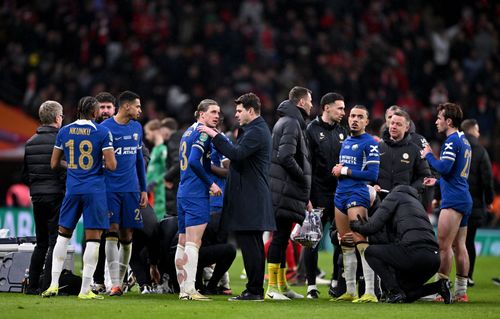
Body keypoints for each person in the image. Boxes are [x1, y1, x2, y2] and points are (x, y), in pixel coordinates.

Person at [198, 92, 276, 301]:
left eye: (240, 111)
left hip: (249, 197)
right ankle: (255, 289)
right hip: (252, 195)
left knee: (250, 245)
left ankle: (254, 290)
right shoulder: (255, 129)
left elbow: (236, 154)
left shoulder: (256, 131)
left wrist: (215, 135)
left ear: (251, 111)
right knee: (254, 245)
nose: (236, 114)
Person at [42, 96, 116, 299]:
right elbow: (111, 165)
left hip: (73, 189)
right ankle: (85, 290)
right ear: (94, 112)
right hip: (94, 191)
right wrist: (98, 164)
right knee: (93, 240)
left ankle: (53, 285)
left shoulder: (64, 131)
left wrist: (73, 166)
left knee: (63, 236)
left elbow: (54, 164)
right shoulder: (102, 131)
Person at [349, 185, 452, 304]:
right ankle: (439, 286)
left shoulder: (394, 196)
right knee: (405, 294)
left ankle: (394, 292)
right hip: (433, 259)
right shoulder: (416, 203)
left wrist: (355, 225)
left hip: (414, 252)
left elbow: (372, 227)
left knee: (371, 252)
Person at [422, 102, 472, 302]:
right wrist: (439, 182)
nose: (436, 121)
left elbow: (443, 166)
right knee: (460, 246)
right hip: (463, 196)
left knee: (444, 247)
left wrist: (428, 156)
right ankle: (461, 292)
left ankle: (441, 292)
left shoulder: (451, 141)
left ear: (448, 121)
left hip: (453, 200)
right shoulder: (464, 140)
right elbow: (454, 173)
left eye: (439, 118)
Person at [266, 86, 312, 300]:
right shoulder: (292, 123)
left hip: (283, 189)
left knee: (282, 239)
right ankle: (273, 289)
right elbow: (285, 156)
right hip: (284, 189)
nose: (312, 105)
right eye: (310, 101)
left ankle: (282, 285)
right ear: (301, 102)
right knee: (279, 238)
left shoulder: (288, 121)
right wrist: (303, 177)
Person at [101, 91, 148, 296]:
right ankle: (114, 283)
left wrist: (143, 189)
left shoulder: (137, 128)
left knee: (127, 234)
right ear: (126, 106)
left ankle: (120, 280)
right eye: (138, 106)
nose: (140, 110)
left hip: (131, 189)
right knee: (111, 231)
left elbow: (139, 160)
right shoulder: (104, 129)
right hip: (109, 189)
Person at [175, 99, 222, 301]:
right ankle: (189, 290)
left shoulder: (187, 132)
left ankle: (182, 289)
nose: (217, 116)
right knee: (194, 243)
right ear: (202, 114)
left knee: (182, 241)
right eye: (212, 112)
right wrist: (210, 183)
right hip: (196, 193)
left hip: (183, 191)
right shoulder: (203, 133)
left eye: (218, 112)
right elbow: (194, 161)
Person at [332, 105, 380, 303]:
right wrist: (338, 170)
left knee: (361, 240)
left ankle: (370, 291)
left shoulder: (370, 143)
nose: (354, 120)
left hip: (357, 194)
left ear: (366, 122)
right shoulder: (346, 141)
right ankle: (350, 290)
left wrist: (344, 172)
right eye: (352, 116)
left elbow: (372, 175)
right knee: (345, 242)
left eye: (360, 117)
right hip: (340, 194)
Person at [304, 92, 348, 299]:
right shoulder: (311, 130)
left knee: (340, 239)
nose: (343, 112)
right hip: (317, 194)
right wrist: (307, 196)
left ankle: (335, 281)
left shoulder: (342, 132)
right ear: (326, 108)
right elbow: (307, 165)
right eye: (340, 108)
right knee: (312, 240)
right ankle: (311, 285)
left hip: (338, 194)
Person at [22, 100, 66, 294]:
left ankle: (32, 285)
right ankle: (48, 285)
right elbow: (64, 171)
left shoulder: (30, 142)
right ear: (57, 118)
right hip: (56, 196)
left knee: (40, 242)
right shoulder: (62, 141)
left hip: (37, 196)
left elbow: (25, 174)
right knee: (55, 242)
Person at [460, 119, 494, 287]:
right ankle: (467, 276)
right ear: (473, 131)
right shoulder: (481, 151)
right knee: (468, 241)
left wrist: (438, 196)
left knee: (450, 243)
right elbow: (487, 179)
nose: (479, 134)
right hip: (474, 203)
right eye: (478, 130)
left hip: (453, 202)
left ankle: (443, 278)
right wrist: (489, 201)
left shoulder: (455, 146)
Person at [375, 109, 430, 200]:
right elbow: (368, 171)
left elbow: (425, 176)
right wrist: (372, 185)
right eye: (392, 123)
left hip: (404, 201)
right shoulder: (377, 147)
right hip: (380, 199)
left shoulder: (415, 150)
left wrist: (410, 191)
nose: (394, 126)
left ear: (407, 127)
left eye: (398, 124)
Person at [144, 119, 167, 220]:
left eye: (147, 133)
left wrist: (156, 181)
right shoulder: (155, 149)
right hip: (152, 191)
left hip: (160, 191)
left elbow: (167, 169)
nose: (146, 136)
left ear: (155, 131)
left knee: (159, 217)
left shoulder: (163, 149)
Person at [161, 118, 182, 216]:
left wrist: (167, 177)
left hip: (179, 182)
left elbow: (178, 162)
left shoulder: (174, 139)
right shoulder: (181, 137)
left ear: (166, 129)